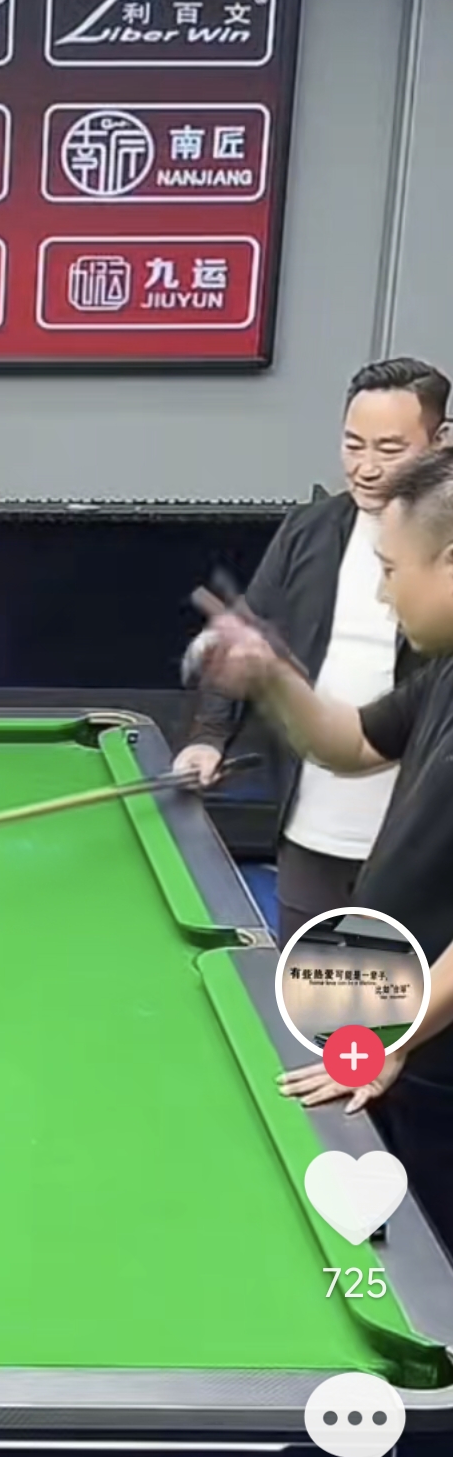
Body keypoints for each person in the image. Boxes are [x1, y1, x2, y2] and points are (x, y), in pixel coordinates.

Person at [186, 443, 453, 1259]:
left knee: (429, 1270)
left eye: (391, 569)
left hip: (434, 1060)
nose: (382, 590)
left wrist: (392, 1037)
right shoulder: (444, 669)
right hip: (398, 1020)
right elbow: (349, 742)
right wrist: (270, 674)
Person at [175, 356, 448, 945]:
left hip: (414, 851)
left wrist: (419, 1004)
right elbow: (346, 740)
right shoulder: (309, 529)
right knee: (312, 988)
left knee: (385, 986)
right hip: (316, 830)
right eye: (353, 445)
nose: (366, 467)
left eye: (390, 449)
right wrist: (227, 715)